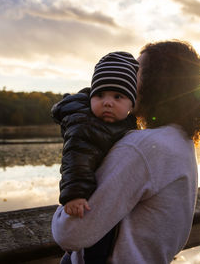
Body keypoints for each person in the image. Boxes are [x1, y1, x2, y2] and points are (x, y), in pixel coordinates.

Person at [52, 40, 200, 264]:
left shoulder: (142, 147)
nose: (127, 77)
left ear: (157, 82)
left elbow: (70, 234)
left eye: (135, 71)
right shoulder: (181, 141)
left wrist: (63, 210)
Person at [51, 51, 139, 263]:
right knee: (93, 249)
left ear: (131, 104)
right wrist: (75, 195)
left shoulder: (125, 125)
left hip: (104, 198)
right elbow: (75, 159)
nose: (107, 103)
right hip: (86, 199)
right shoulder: (85, 125)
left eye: (118, 97)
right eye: (100, 96)